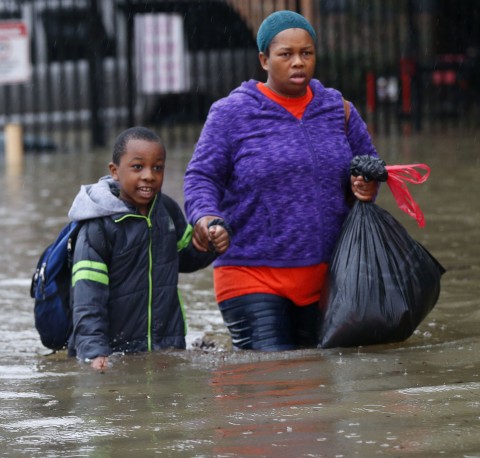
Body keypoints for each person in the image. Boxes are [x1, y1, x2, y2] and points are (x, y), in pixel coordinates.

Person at [183, 10, 379, 351]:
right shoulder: (232, 113)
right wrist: (205, 217)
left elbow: (370, 167)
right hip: (251, 274)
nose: (298, 63)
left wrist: (366, 186)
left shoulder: (339, 109)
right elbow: (202, 177)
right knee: (274, 385)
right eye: (285, 54)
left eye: (306, 53)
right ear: (264, 59)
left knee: (321, 391)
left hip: (328, 277)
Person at [68, 126, 230, 370]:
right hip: (114, 353)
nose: (149, 176)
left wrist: (210, 245)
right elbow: (87, 297)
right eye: (137, 167)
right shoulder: (98, 227)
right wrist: (94, 351)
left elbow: (185, 258)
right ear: (115, 171)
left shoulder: (167, 211)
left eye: (158, 167)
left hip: (167, 345)